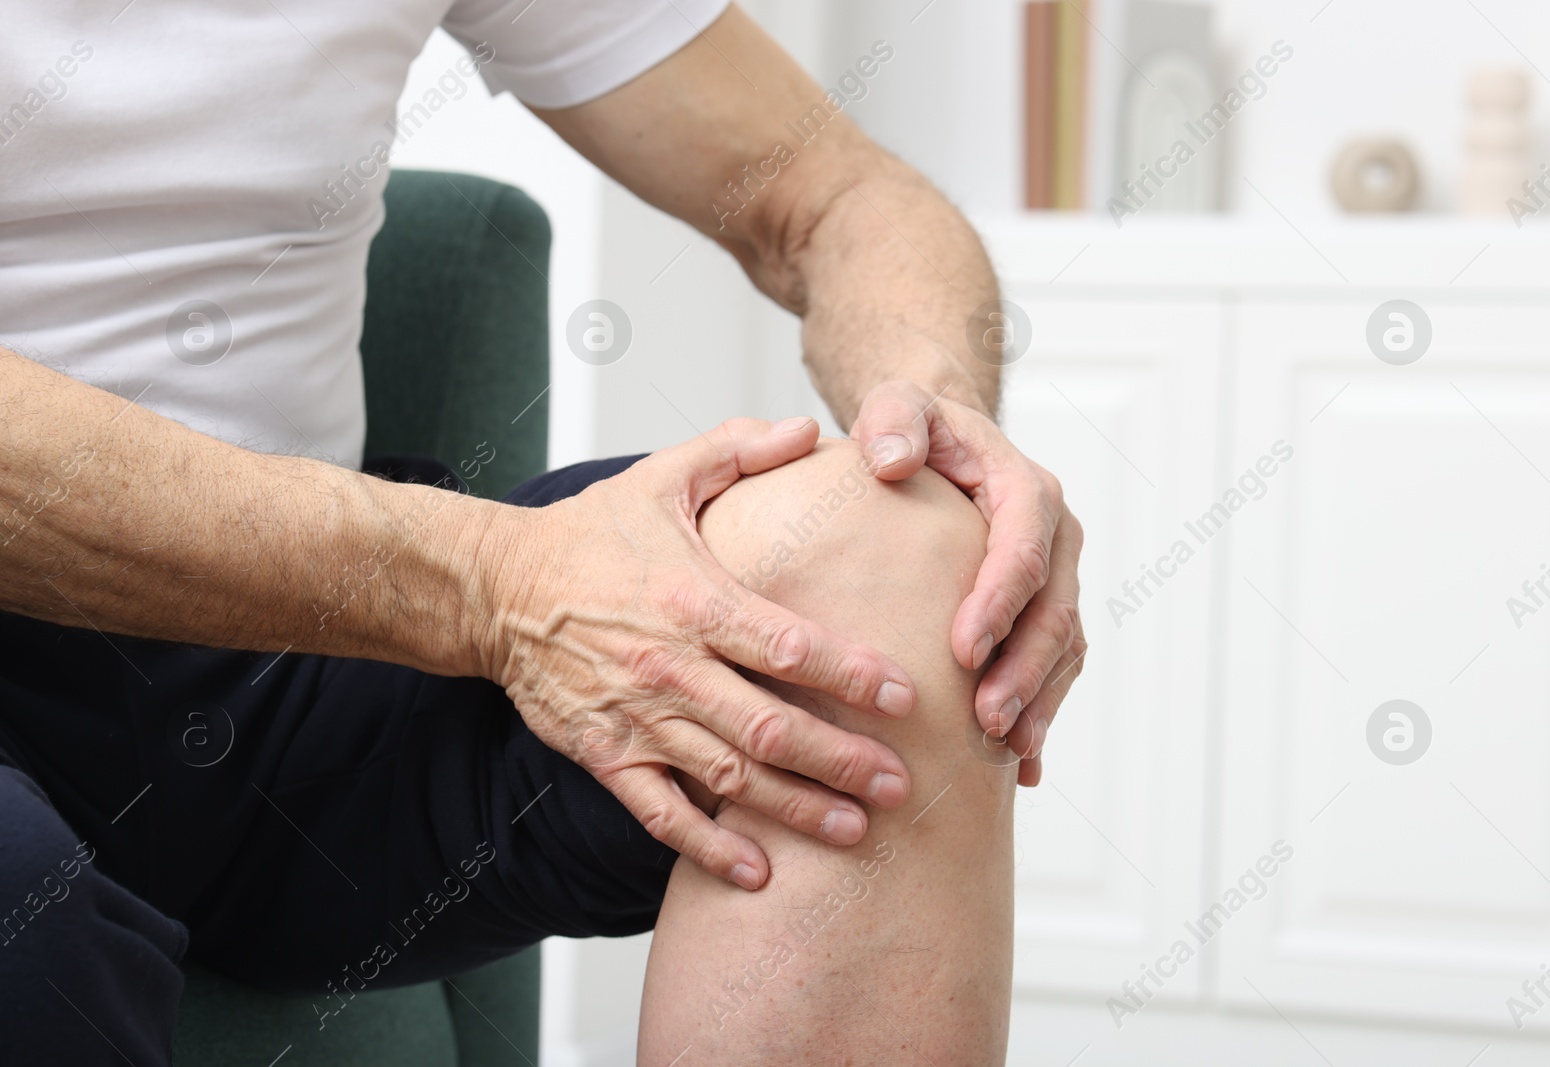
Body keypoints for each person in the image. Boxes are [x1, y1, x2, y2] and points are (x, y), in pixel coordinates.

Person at [0, 2, 1086, 1063]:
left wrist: (941, 432)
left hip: (295, 658)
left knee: (890, 568)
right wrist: (493, 583)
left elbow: (833, 193)